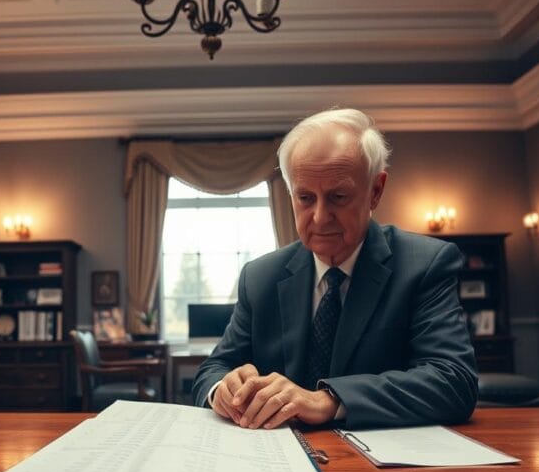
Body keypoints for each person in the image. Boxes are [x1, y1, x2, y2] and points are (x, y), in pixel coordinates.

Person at [192, 108, 478, 430]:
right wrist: (222, 389)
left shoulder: (425, 264)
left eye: (338, 197)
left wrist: (328, 400)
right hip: (277, 463)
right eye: (305, 197)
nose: (319, 217)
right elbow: (214, 369)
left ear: (375, 191)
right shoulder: (260, 277)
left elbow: (453, 382)